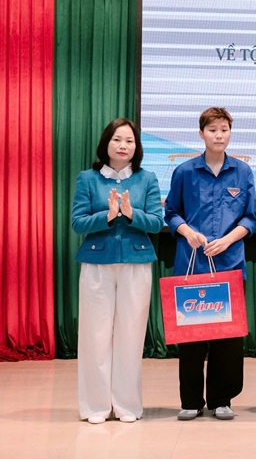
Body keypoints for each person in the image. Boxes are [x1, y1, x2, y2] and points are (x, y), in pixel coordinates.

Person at [164, 107, 256, 421]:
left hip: (230, 265)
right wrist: (187, 232)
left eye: (224, 130)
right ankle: (191, 400)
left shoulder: (242, 172)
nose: (219, 135)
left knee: (227, 338)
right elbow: (171, 213)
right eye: (212, 130)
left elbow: (250, 217)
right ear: (201, 133)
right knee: (191, 338)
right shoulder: (185, 171)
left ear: (230, 133)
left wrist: (228, 240)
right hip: (191, 265)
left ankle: (221, 399)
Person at [71, 117, 164, 424]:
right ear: (106, 143)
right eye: (117, 139)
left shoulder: (147, 178)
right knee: (95, 336)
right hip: (97, 264)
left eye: (129, 141)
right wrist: (107, 216)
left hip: (136, 264)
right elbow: (77, 223)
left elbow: (156, 222)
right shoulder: (88, 178)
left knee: (131, 335)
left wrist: (130, 213)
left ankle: (127, 405)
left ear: (137, 147)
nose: (123, 145)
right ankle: (95, 406)